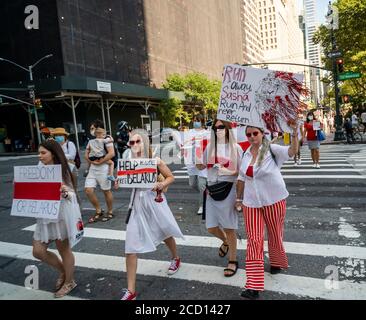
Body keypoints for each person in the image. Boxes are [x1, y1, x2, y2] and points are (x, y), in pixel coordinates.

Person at [119, 130, 184, 300]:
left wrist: (161, 184)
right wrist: (119, 181)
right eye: (131, 142)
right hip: (136, 206)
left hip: (154, 202)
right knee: (130, 247)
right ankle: (131, 290)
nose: (134, 145)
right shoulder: (128, 163)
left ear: (145, 142)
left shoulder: (154, 160)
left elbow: (170, 177)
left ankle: (175, 257)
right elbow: (123, 181)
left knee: (165, 232)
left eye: (137, 141)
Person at [236, 123, 298, 300]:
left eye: (255, 133)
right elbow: (241, 178)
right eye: (248, 134)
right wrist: (238, 199)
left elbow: (292, 152)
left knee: (275, 233)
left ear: (262, 134)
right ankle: (253, 287)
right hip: (251, 203)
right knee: (254, 240)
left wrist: (294, 133)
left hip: (274, 199)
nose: (252, 137)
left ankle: (276, 262)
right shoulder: (246, 154)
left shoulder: (271, 149)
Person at [32, 139, 81, 298]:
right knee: (38, 252)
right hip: (44, 214)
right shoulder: (38, 168)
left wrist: (66, 192)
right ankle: (63, 271)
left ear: (53, 153)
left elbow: (73, 194)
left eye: (43, 153)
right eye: (39, 152)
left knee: (64, 249)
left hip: (61, 214)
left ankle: (70, 281)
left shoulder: (67, 168)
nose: (39, 156)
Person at [196, 119, 243, 277]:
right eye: (215, 128)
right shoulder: (210, 147)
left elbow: (240, 173)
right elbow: (200, 165)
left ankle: (233, 260)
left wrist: (226, 171)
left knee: (230, 227)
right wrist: (197, 161)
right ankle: (226, 242)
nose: (218, 130)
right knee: (211, 227)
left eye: (221, 127)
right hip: (211, 190)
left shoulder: (235, 148)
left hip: (228, 189)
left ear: (228, 128)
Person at [85, 120, 115, 223]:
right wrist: (90, 160)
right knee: (88, 190)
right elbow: (86, 154)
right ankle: (98, 210)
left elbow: (111, 153)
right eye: (91, 128)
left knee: (106, 190)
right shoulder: (91, 141)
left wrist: (101, 161)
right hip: (93, 168)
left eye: (93, 128)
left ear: (99, 129)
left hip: (103, 167)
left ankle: (110, 211)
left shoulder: (106, 139)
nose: (92, 130)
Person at [182, 115, 209, 215]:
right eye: (194, 120)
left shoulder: (207, 133)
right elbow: (184, 144)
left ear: (202, 122)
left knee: (201, 185)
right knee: (192, 184)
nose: (195, 122)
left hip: (202, 162)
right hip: (191, 162)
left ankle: (202, 205)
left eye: (197, 120)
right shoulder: (189, 133)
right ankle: (207, 194)